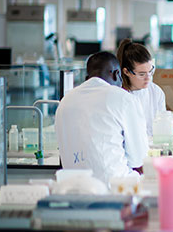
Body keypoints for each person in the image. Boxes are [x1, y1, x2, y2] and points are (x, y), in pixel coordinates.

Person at [56, 51, 148, 184]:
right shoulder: (123, 99)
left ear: (88, 77)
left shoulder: (65, 101)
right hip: (115, 188)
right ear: (117, 74)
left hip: (73, 188)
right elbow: (139, 158)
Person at [117, 39, 166, 137]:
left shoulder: (156, 92)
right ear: (126, 72)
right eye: (142, 74)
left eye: (150, 71)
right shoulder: (118, 94)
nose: (148, 78)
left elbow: (163, 125)